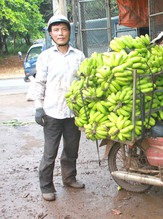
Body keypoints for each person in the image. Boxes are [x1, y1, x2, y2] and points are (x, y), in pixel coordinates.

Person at [32, 15, 86, 201]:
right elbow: (39, 83)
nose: (60, 33)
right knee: (50, 153)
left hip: (73, 112)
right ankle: (46, 186)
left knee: (72, 150)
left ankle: (69, 178)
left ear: (69, 31)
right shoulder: (45, 56)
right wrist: (39, 107)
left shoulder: (78, 56)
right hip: (52, 112)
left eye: (63, 29)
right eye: (56, 30)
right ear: (50, 34)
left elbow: (84, 82)